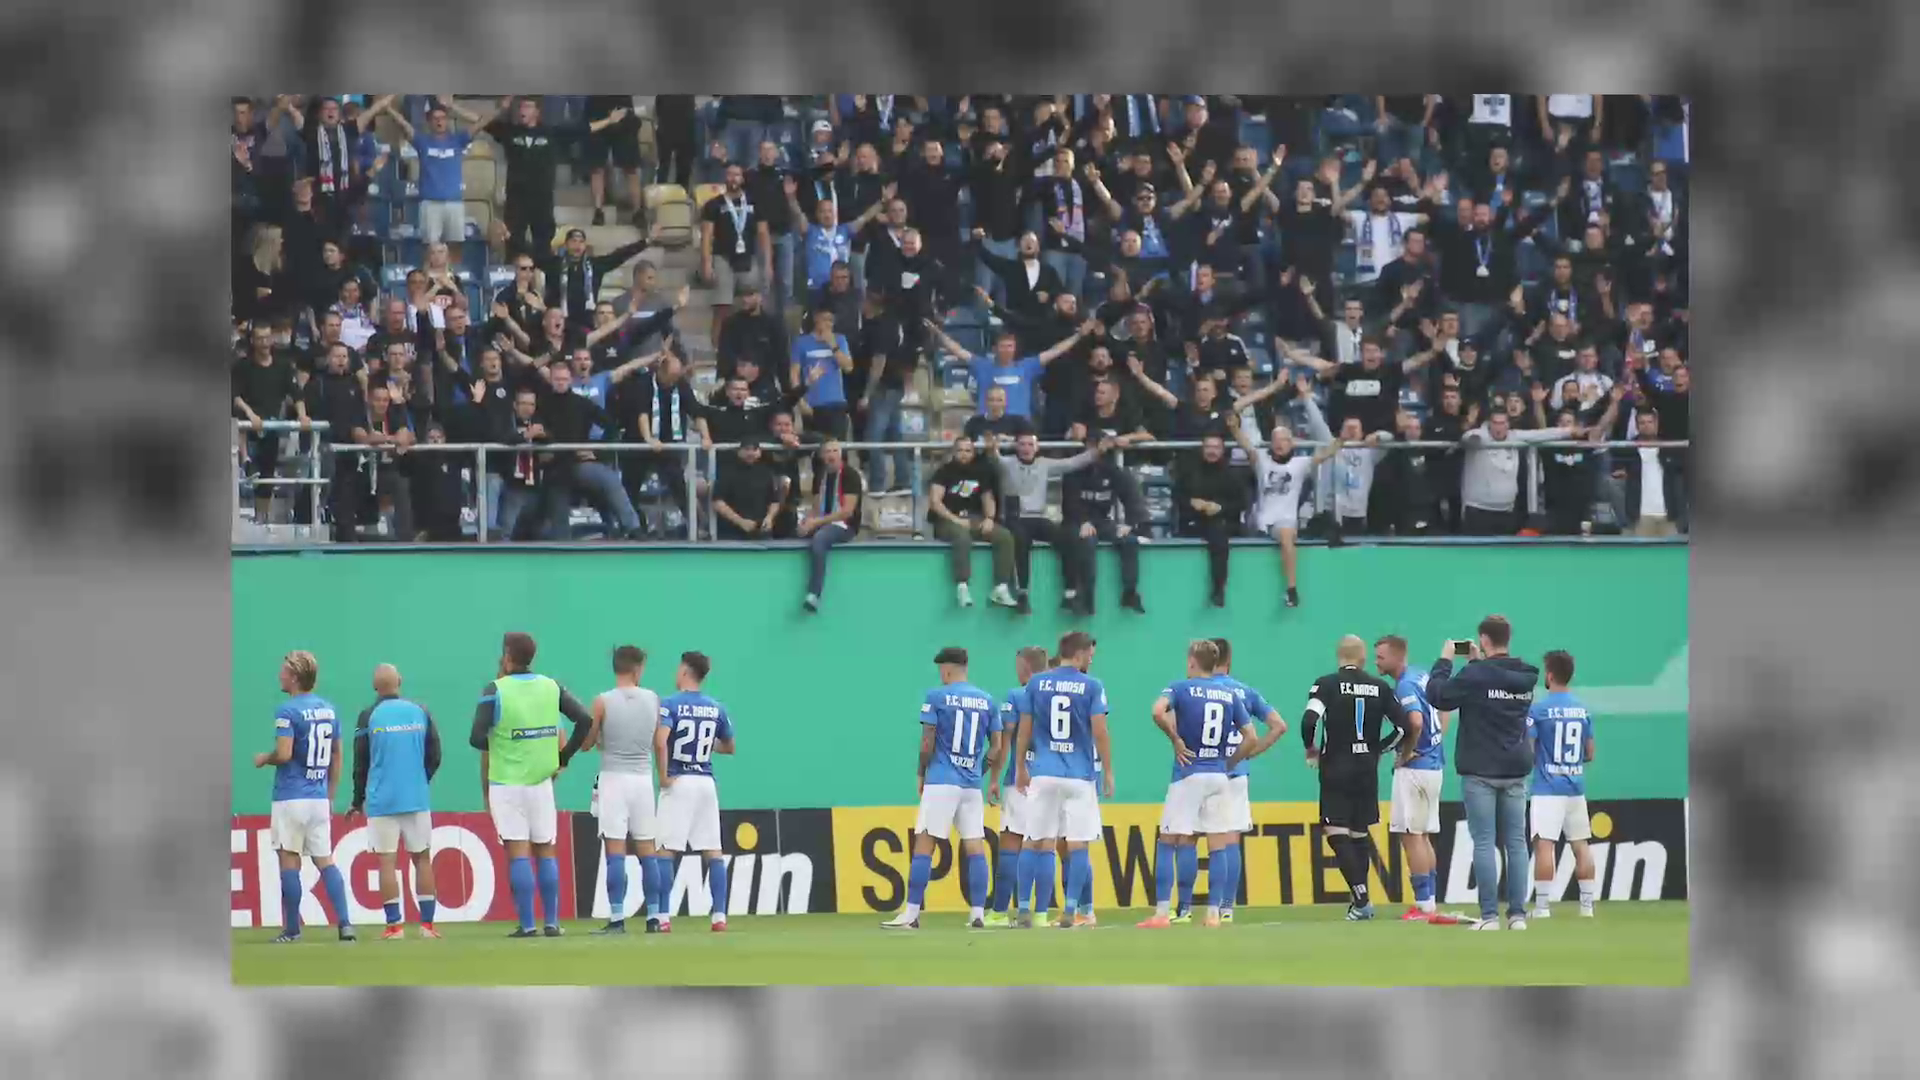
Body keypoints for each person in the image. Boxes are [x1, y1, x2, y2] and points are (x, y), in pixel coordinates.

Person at [468, 632, 595, 937]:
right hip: (542, 782)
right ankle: (551, 922)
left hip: (506, 783)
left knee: (518, 852)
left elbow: (476, 737)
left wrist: (505, 738)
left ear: (507, 656)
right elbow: (585, 720)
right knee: (546, 850)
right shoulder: (552, 687)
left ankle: (527, 925)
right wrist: (563, 757)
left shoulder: (494, 689)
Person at [1423, 615, 1542, 931]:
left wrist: (1444, 661)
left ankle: (1489, 916)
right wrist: (1476, 664)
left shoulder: (1476, 675)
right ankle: (1518, 916)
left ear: (1484, 640)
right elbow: (1494, 683)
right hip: (1516, 768)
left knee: (1485, 842)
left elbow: (1438, 695)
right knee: (1516, 843)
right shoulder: (1526, 675)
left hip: (1480, 770)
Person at [883, 647, 1003, 930]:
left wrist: (920, 773)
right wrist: (979, 770)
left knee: (925, 843)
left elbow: (928, 740)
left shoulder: (936, 696)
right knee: (975, 846)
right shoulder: (987, 701)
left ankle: (911, 914)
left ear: (947, 669)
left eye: (941, 669)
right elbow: (997, 746)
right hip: (971, 785)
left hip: (941, 780)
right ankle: (977, 913)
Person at [1139, 640, 1256, 929]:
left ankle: (1163, 913)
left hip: (1188, 774)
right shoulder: (1229, 694)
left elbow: (1157, 711)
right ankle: (1214, 914)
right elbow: (1251, 737)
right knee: (1218, 843)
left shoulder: (1180, 687)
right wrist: (1229, 763)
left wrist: (1176, 739)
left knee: (1170, 840)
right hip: (1219, 776)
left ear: (1193, 661)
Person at [1301, 634, 1410, 921]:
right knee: (1359, 833)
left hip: (1336, 764)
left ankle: (1361, 899)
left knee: (1336, 832)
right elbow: (1404, 727)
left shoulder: (1326, 684)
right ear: (1362, 659)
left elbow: (1310, 720)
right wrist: (1379, 750)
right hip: (1366, 768)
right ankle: (1361, 901)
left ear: (1339, 656)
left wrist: (1311, 750)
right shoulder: (1380, 686)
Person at [253, 650, 355, 943]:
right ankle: (345, 924)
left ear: (295, 677)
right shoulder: (329, 709)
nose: (279, 675)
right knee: (326, 861)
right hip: (318, 798)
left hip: (291, 797)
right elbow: (337, 755)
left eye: (284, 671)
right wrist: (330, 794)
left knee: (289, 862)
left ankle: (292, 930)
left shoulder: (287, 711)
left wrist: (264, 758)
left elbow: (284, 754)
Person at [1012, 632, 1111, 929]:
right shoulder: (1092, 686)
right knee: (1078, 844)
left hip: (1044, 772)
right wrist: (1108, 770)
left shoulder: (1037, 683)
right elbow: (1100, 731)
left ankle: (1024, 909)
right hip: (1079, 776)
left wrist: (1020, 767)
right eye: (1089, 655)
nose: (1091, 659)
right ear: (1079, 654)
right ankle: (1071, 909)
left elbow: (1025, 730)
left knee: (1033, 841)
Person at [348, 663, 442, 941]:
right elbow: (435, 754)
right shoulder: (420, 711)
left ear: (375, 686)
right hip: (416, 798)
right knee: (422, 860)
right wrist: (419, 780)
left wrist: (357, 799)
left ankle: (394, 927)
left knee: (387, 863)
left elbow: (360, 762)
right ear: (399, 681)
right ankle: (427, 927)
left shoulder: (368, 715)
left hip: (382, 801)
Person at [1226, 390, 1340, 609]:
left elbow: (1328, 451)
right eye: (1276, 440)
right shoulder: (1261, 460)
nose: (1280, 444)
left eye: (1285, 440)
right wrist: (1233, 427)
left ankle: (1291, 589)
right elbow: (1246, 444)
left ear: (1292, 443)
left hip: (1284, 521)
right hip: (1260, 519)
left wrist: (1342, 438)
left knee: (1287, 536)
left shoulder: (1300, 463)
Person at [652, 651, 737, 933]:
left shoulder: (670, 704)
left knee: (666, 850)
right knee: (713, 850)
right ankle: (720, 916)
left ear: (686, 671)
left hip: (680, 780)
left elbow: (661, 741)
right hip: (705, 781)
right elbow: (729, 747)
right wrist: (704, 746)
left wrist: (663, 776)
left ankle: (663, 917)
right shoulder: (716, 708)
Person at [1206, 638, 1288, 922]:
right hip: (1237, 772)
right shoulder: (1244, 691)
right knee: (1231, 839)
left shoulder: (1197, 689)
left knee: (1209, 841)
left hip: (1206, 771)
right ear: (1229, 660)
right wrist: (1249, 753)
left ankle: (1205, 908)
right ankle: (1227, 908)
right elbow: (1279, 726)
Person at [586, 646, 666, 935]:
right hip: (643, 780)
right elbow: (658, 742)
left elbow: (588, 741)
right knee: (648, 850)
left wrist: (599, 740)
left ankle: (618, 918)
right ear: (637, 668)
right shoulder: (654, 699)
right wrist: (663, 777)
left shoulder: (602, 701)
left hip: (613, 779)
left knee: (615, 851)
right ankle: (654, 917)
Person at [982, 432, 1103, 615]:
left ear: (1036, 448)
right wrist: (991, 447)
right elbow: (994, 458)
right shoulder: (1008, 464)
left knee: (1069, 538)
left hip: (1038, 518)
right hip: (1015, 518)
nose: (1026, 448)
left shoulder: (1045, 464)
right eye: (1022, 444)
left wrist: (1097, 451)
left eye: (1030, 444)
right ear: (1016, 448)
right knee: (1020, 541)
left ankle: (1069, 594)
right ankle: (1022, 595)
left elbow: (1072, 463)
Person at [1374, 636, 1447, 922]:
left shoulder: (1404, 685)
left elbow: (1415, 722)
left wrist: (1406, 753)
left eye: (1380, 657)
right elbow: (1445, 708)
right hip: (1434, 765)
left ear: (1396, 657)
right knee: (1424, 835)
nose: (1376, 662)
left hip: (1416, 768)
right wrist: (1437, 741)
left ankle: (1423, 905)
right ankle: (1430, 902)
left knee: (1411, 836)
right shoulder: (1423, 676)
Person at [1528, 649, 1599, 919]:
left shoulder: (1539, 709)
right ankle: (1587, 907)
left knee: (1544, 845)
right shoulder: (1581, 710)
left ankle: (1543, 907)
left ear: (1549, 674)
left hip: (1547, 789)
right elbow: (1590, 753)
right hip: (1575, 788)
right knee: (1581, 845)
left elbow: (1529, 747)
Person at [983, 645, 1049, 928]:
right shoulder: (1061, 694)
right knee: (1045, 846)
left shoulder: (1017, 695)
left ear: (1025, 668)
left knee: (1011, 843)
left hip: (1021, 780)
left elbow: (1005, 745)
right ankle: (1042, 914)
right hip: (1053, 779)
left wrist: (994, 778)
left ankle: (999, 912)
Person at [1061, 437, 1150, 616]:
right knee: (1086, 543)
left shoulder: (1113, 472)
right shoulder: (1073, 473)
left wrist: (1129, 524)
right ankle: (1085, 600)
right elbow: (1069, 504)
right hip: (1074, 522)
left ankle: (1130, 593)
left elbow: (1133, 498)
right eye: (1091, 448)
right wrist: (1082, 522)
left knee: (1130, 541)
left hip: (1102, 521)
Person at [927, 435, 1017, 609]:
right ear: (953, 452)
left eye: (968, 450)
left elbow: (988, 498)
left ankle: (1000, 588)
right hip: (946, 520)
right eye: (960, 450)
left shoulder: (980, 471)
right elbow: (935, 501)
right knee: (962, 537)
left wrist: (990, 518)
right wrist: (956, 520)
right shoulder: (943, 472)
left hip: (974, 518)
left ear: (973, 452)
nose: (964, 454)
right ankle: (962, 586)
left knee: (1004, 536)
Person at [1177, 431, 1246, 608]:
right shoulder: (1189, 471)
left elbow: (1242, 503)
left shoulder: (1232, 475)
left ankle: (1218, 589)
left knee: (1218, 535)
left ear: (1222, 450)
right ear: (1202, 449)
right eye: (1208, 447)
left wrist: (1220, 508)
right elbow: (1177, 496)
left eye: (1216, 447)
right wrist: (1192, 502)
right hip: (1194, 520)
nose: (1212, 451)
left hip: (1222, 522)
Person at [799, 439, 865, 613]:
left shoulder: (850, 475)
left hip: (845, 525)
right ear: (822, 456)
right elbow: (815, 507)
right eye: (828, 451)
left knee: (820, 539)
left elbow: (847, 512)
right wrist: (807, 522)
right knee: (794, 532)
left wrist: (816, 523)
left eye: (835, 451)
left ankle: (814, 594)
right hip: (823, 521)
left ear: (841, 454)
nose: (831, 455)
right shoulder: (820, 476)